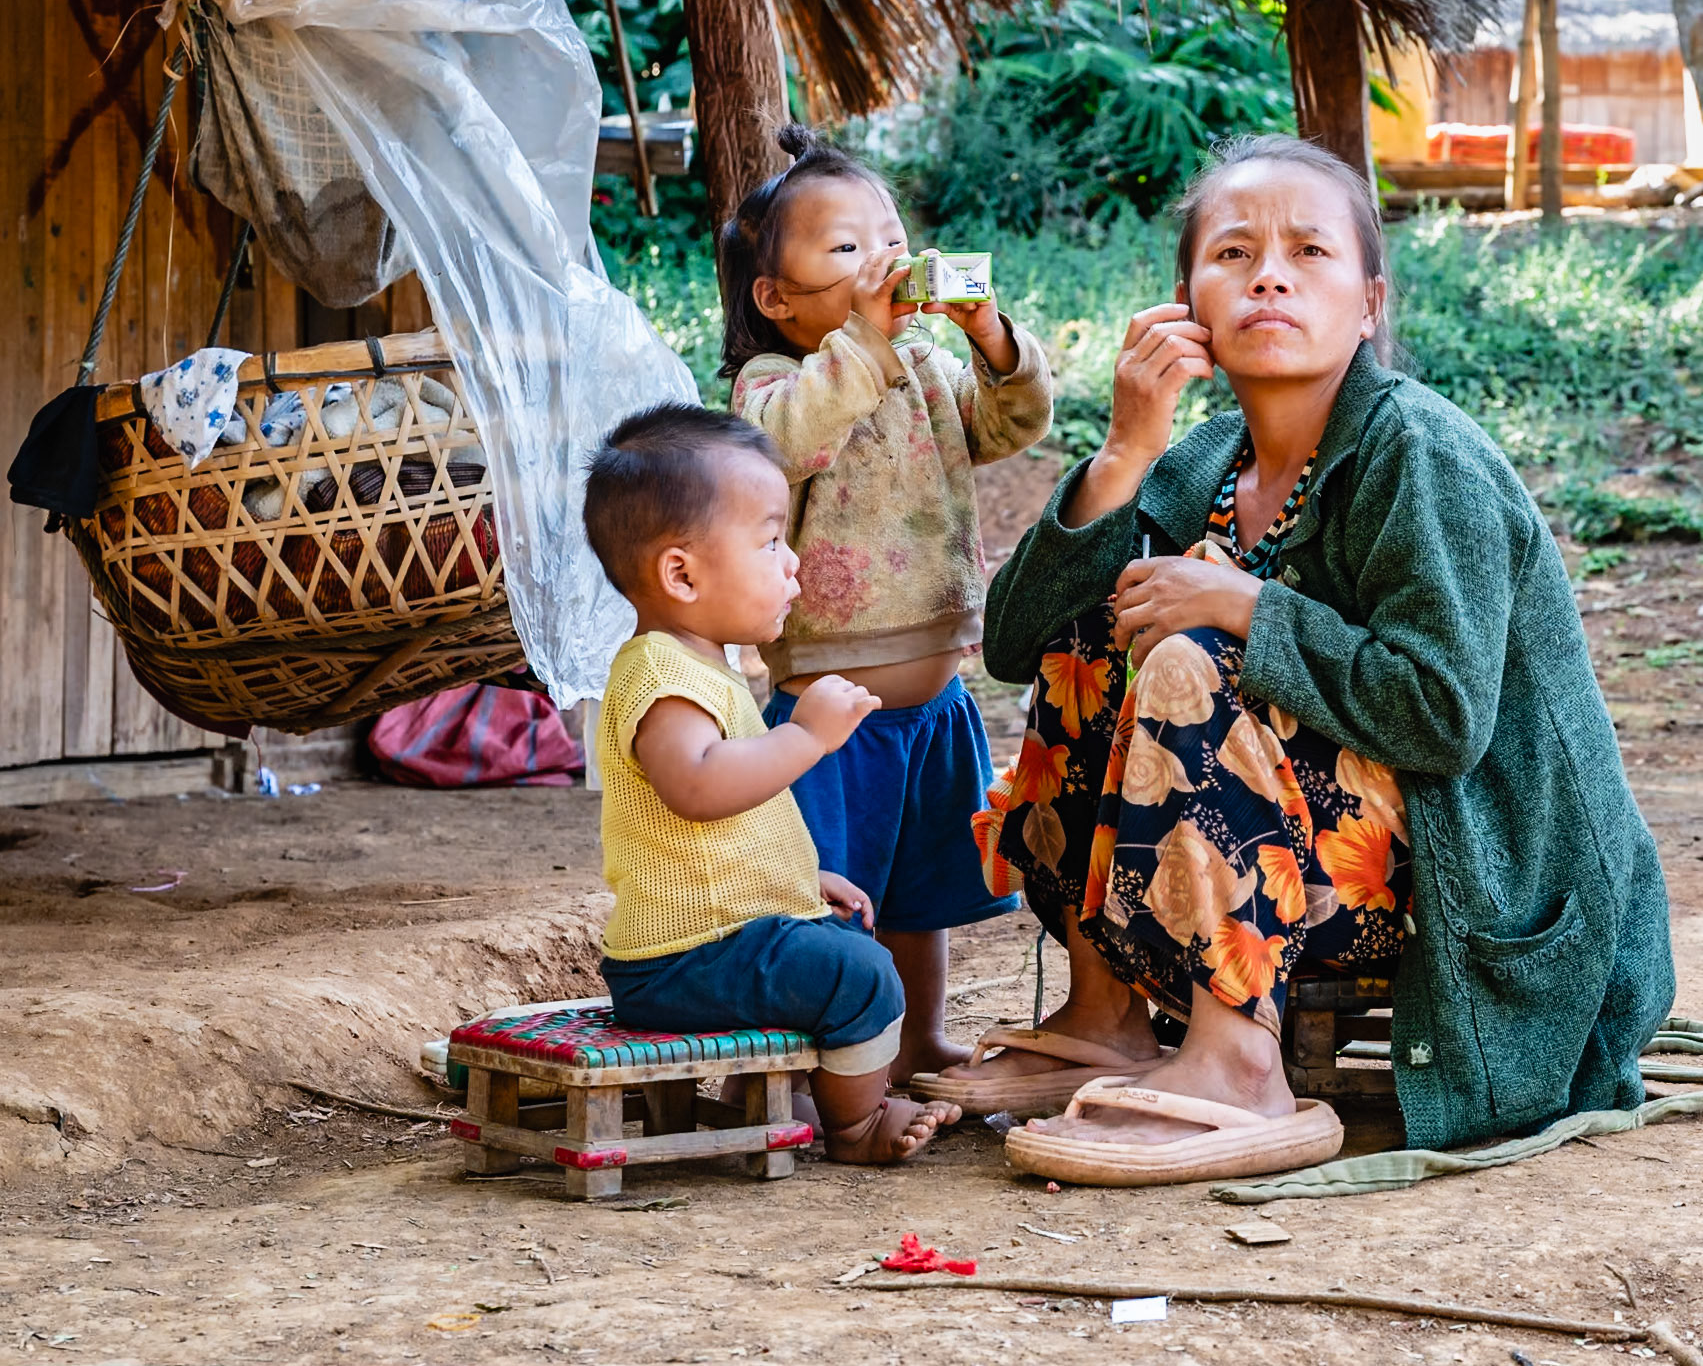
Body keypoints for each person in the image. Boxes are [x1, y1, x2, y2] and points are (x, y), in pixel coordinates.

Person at [919, 132, 1672, 1176]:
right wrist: (1126, 448)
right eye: (1230, 253)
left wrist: (1243, 605)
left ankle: (1238, 1064)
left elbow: (1441, 717)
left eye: (1307, 252)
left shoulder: (1417, 452)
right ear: (1184, 304)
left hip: (1473, 885)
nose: (1267, 272)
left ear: (1366, 302)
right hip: (1310, 867)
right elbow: (1013, 644)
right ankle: (1106, 1017)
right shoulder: (1200, 460)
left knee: (1184, 648)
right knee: (1097, 629)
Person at [718, 124, 1054, 1081]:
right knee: (837, 893)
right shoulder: (776, 383)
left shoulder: (925, 371)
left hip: (935, 702)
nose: (885, 262)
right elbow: (784, 445)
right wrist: (864, 340)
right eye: (847, 248)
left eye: (893, 239)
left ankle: (920, 1037)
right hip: (831, 715)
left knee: (919, 898)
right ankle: (838, 1057)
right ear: (775, 297)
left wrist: (991, 340)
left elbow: (1012, 424)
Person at [583, 402, 961, 1164]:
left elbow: (720, 822)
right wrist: (805, 736)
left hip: (710, 943)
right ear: (681, 573)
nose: (791, 560)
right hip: (684, 958)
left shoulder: (697, 667)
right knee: (862, 972)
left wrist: (800, 874)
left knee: (839, 948)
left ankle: (798, 1097)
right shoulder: (661, 672)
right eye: (769, 540)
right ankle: (855, 1124)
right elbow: (696, 786)